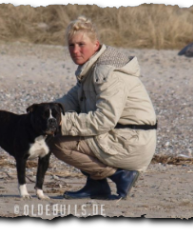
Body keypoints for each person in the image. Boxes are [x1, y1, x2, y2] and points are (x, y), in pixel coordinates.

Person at [49, 16, 157, 200]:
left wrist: (58, 123)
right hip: (125, 135)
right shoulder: (91, 68)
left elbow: (103, 120)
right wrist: (46, 112)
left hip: (131, 142)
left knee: (57, 142)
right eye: (71, 45)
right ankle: (96, 186)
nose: (75, 50)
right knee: (67, 126)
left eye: (81, 44)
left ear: (96, 44)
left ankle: (121, 176)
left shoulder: (108, 74)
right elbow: (72, 99)